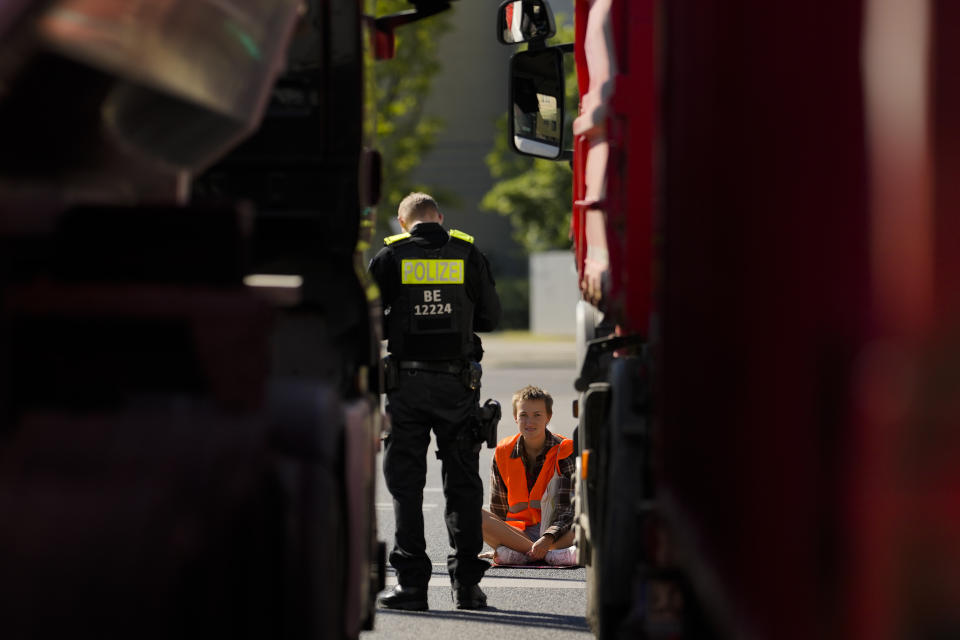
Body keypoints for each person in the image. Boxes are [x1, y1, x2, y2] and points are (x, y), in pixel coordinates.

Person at [369, 192, 501, 611]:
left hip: (406, 385)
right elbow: (491, 318)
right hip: (457, 386)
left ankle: (411, 587)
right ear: (440, 218)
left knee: (405, 485)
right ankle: (466, 586)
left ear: (402, 221)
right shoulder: (467, 252)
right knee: (462, 483)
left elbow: (369, 319)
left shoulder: (391, 258)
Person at [482, 385, 577, 566]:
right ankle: (548, 556)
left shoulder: (565, 449)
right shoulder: (503, 451)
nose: (529, 421)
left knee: (589, 524)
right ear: (515, 417)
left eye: (537, 415)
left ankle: (523, 554)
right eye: (524, 415)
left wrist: (548, 538)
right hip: (519, 533)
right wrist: (498, 538)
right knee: (471, 513)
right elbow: (498, 509)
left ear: (548, 417)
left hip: (559, 532)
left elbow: (571, 509)